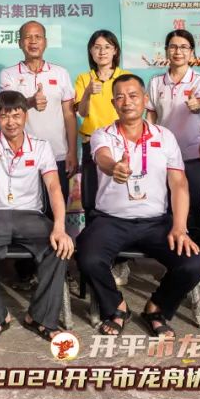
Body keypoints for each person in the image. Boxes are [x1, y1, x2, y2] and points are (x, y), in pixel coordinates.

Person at [75, 75, 200, 339]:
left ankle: (157, 308)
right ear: (113, 103)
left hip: (156, 221)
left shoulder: (164, 136)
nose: (127, 102)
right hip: (110, 220)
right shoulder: (103, 134)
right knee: (88, 258)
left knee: (193, 264)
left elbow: (179, 183)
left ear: (145, 100)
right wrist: (114, 167)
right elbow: (102, 158)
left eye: (133, 95)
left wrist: (180, 227)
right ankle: (116, 307)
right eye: (120, 97)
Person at [0, 90, 74, 342]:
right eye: (4, 116)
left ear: (25, 116)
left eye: (16, 115)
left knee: (58, 247)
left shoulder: (41, 147)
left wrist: (60, 227)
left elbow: (53, 187)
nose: (11, 122)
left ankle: (40, 317)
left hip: (30, 216)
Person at [74, 29, 132, 286]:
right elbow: (82, 112)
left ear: (115, 50)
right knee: (92, 201)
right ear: (90, 51)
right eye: (97, 47)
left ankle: (121, 261)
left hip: (121, 147)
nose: (102, 51)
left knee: (122, 201)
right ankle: (97, 258)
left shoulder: (125, 78)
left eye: (107, 46)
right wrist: (88, 92)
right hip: (92, 147)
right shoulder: (83, 78)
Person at [146, 29, 200, 247]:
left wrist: (196, 104)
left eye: (184, 47)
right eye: (173, 47)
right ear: (166, 50)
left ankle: (197, 252)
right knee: (167, 205)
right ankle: (172, 253)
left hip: (193, 154)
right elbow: (151, 115)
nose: (178, 52)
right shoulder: (156, 82)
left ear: (191, 52)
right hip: (163, 156)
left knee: (197, 205)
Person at [0, 20, 77, 209]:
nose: (33, 41)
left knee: (55, 210)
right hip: (21, 156)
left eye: (38, 37)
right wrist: (30, 102)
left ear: (45, 42)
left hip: (57, 154)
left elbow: (69, 115)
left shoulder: (60, 73)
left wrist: (72, 152)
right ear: (20, 43)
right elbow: (7, 109)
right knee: (25, 212)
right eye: (27, 37)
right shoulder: (8, 74)